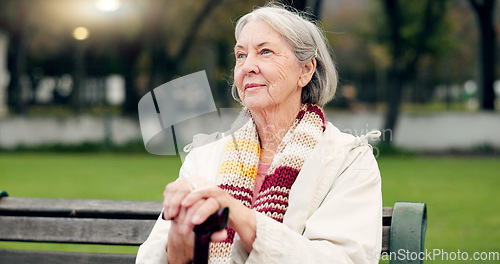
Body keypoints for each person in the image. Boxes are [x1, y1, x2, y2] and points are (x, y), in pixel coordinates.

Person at [136, 3, 381, 264]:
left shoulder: (348, 160)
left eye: (265, 52)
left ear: (306, 70)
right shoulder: (203, 158)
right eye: (241, 55)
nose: (247, 67)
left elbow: (344, 259)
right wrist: (181, 237)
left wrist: (242, 218)